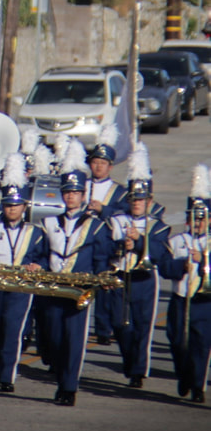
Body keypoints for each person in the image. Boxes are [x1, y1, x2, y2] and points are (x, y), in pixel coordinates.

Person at [38, 139, 114, 406]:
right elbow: (40, 252)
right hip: (52, 289)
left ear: (84, 195)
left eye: (76, 192)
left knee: (74, 341)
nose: (71, 196)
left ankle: (68, 388)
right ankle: (60, 375)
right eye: (67, 192)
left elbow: (102, 257)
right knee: (54, 340)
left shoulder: (94, 226)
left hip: (79, 290)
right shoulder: (49, 222)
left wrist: (101, 277)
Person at [0, 153, 48, 393]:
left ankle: (7, 376)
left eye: (16, 205)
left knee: (12, 329)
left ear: (24, 207)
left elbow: (43, 256)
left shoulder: (36, 232)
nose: (11, 209)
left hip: (21, 289)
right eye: (8, 205)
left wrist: (37, 266)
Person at [107, 143, 170, 388]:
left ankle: (138, 372)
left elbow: (159, 253)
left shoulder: (158, 225)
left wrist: (139, 242)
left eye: (141, 199)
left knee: (143, 326)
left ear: (149, 200)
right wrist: (121, 244)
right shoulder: (116, 221)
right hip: (120, 276)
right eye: (133, 198)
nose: (137, 203)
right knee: (120, 325)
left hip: (144, 279)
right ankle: (128, 359)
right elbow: (105, 247)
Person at [160, 164, 210, 403]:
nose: (197, 222)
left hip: (204, 300)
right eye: (194, 217)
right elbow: (164, 267)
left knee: (201, 344)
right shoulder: (177, 240)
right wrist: (182, 265)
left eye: (202, 218)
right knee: (178, 340)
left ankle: (199, 386)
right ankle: (184, 375)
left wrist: (203, 263)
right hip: (180, 299)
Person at [86, 124, 129, 346]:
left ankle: (103, 329)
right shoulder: (81, 186)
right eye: (95, 162)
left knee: (105, 285)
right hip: (83, 244)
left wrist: (104, 210)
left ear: (110, 167)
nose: (98, 166)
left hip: (105, 244)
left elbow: (125, 215)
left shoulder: (118, 191)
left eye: (103, 163)